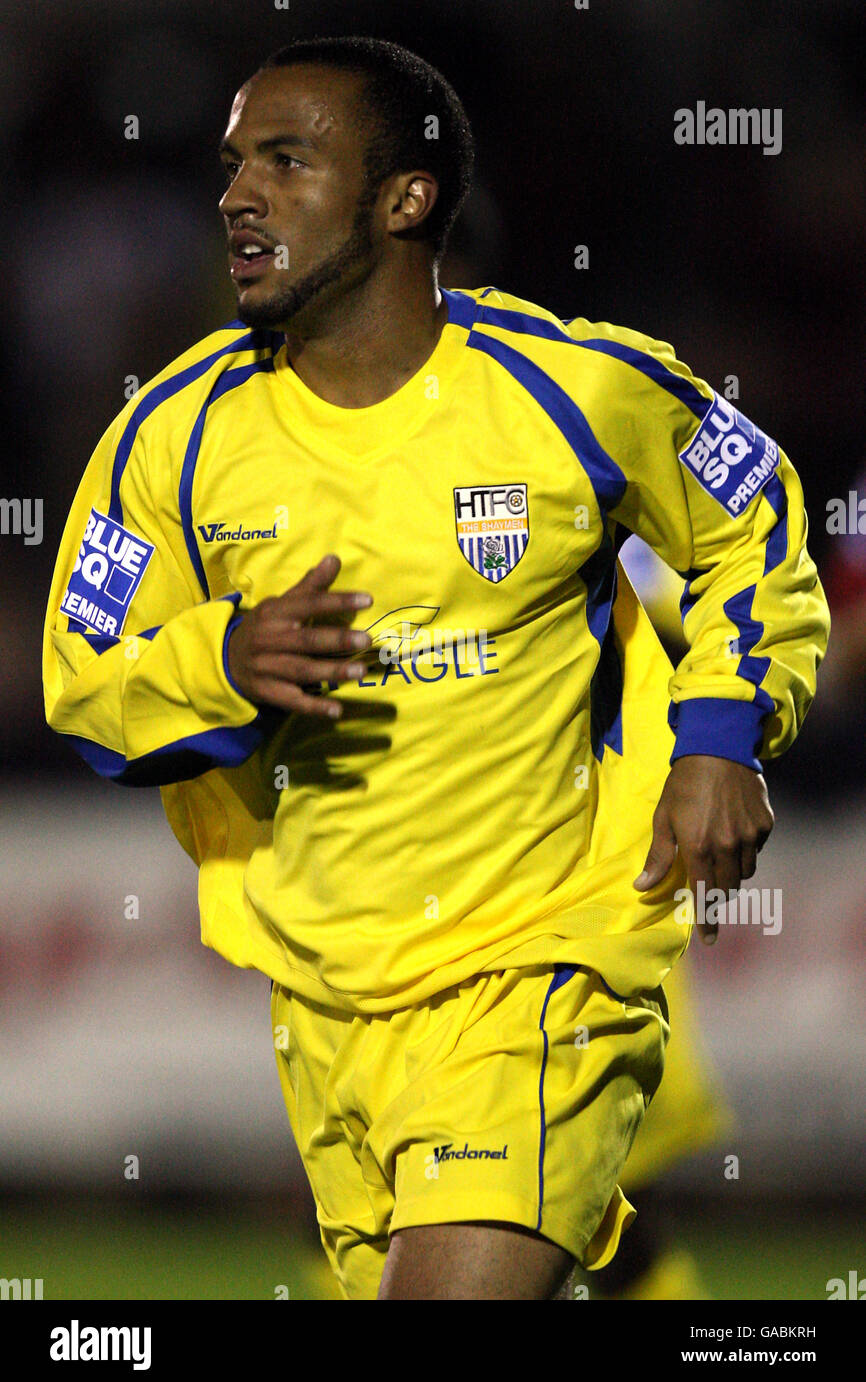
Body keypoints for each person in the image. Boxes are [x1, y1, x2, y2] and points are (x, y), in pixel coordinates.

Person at [42, 36, 829, 1300]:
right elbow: (83, 688)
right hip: (328, 1006)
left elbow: (754, 515)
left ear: (405, 199)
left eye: (286, 161)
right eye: (234, 163)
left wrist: (719, 735)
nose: (238, 194)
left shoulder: (575, 388)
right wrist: (221, 662)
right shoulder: (166, 440)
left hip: (545, 956)